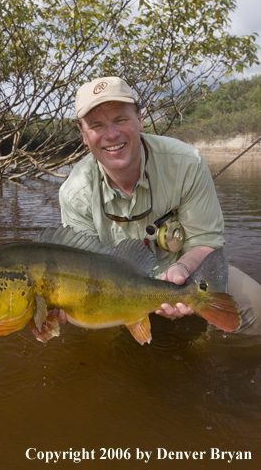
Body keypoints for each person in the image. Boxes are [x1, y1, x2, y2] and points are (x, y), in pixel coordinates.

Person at [59, 76, 261, 334]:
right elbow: (81, 270)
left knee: (255, 307)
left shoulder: (186, 162)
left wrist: (182, 270)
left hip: (186, 271)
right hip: (114, 290)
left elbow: (205, 240)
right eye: (97, 125)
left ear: (139, 119)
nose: (111, 134)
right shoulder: (74, 192)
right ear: (83, 134)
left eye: (120, 119)